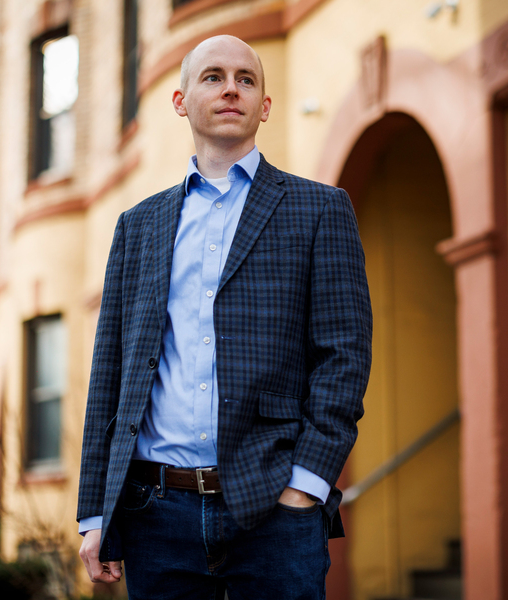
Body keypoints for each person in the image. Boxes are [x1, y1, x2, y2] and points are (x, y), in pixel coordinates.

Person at [76, 34, 372, 599]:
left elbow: (344, 358)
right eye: (213, 77)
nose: (231, 89)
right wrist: (96, 511)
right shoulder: (137, 226)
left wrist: (306, 485)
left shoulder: (320, 209)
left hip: (274, 512)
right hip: (154, 513)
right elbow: (110, 372)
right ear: (180, 101)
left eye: (246, 79)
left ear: (265, 106)